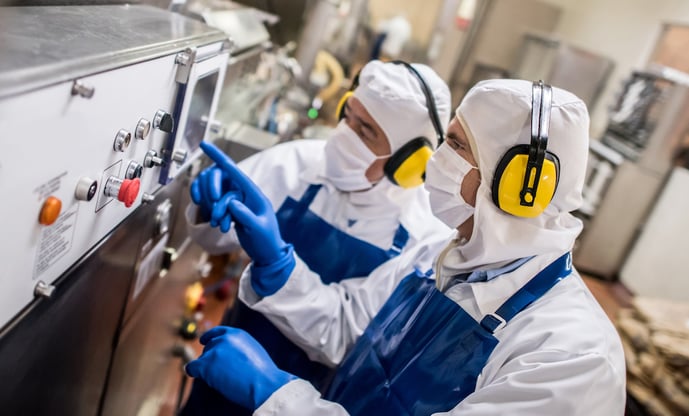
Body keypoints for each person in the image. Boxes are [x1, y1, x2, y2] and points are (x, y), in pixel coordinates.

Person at [185, 79, 627, 415]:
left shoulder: (572, 356)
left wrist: (275, 396)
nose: (437, 160)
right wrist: (276, 262)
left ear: (520, 186)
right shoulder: (438, 258)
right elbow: (345, 327)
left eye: (456, 146)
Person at [181, 60, 453, 414]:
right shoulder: (299, 161)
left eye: (366, 130)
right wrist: (207, 207)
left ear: (409, 162)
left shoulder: (424, 239)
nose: (344, 133)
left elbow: (348, 337)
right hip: (228, 362)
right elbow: (214, 240)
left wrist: (278, 265)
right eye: (348, 115)